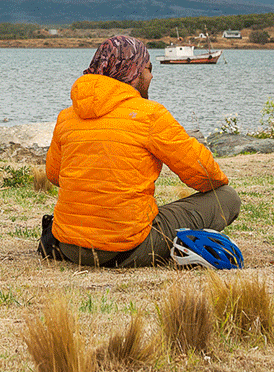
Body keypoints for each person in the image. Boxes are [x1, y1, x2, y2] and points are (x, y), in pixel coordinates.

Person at [41, 35, 241, 267]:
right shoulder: (149, 115)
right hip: (126, 250)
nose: (151, 76)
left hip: (69, 247)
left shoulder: (67, 116)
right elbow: (205, 175)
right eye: (148, 68)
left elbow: (54, 176)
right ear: (133, 71)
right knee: (228, 198)